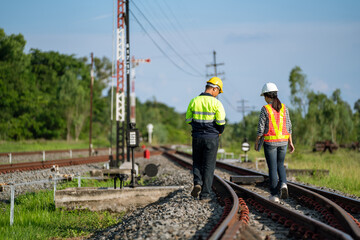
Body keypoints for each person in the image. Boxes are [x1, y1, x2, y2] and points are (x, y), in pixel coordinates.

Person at [185, 77, 226, 202]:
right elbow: (221, 122)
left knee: (197, 161)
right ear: (214, 88)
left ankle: (197, 182)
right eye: (218, 92)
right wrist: (219, 132)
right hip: (212, 138)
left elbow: (188, 120)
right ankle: (205, 195)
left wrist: (198, 128)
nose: (218, 94)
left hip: (197, 137)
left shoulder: (194, 101)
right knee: (209, 165)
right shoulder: (216, 103)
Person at [255, 82, 295, 203]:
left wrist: (257, 142)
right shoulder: (284, 108)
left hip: (270, 143)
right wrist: (291, 143)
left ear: (267, 96)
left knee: (272, 168)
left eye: (264, 96)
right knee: (280, 164)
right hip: (283, 142)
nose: (264, 99)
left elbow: (260, 129)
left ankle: (274, 195)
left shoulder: (265, 109)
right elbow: (289, 127)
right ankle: (283, 184)